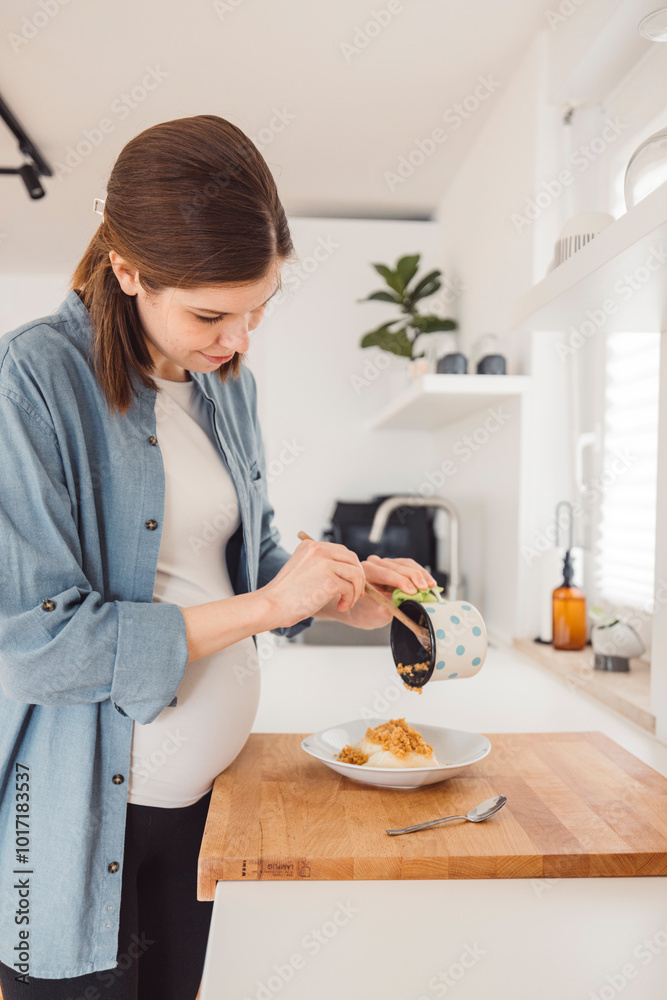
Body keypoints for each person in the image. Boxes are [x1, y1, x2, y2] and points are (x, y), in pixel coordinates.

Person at [0, 115, 438, 999]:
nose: (236, 342)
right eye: (210, 314)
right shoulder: (31, 383)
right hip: (78, 818)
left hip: (198, 807)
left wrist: (336, 591)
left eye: (257, 311)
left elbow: (252, 554)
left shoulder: (224, 384)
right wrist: (271, 608)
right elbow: (40, 643)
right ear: (127, 271)